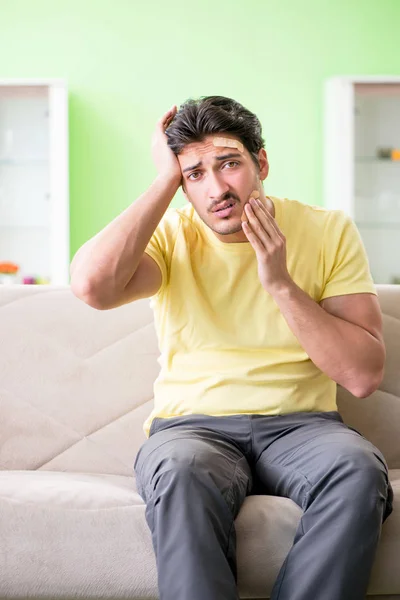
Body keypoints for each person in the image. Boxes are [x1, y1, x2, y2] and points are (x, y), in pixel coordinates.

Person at [70, 96, 393, 600]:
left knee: (356, 469)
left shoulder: (328, 229)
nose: (217, 189)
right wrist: (162, 182)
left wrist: (282, 284)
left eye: (229, 164)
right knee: (180, 471)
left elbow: (362, 375)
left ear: (260, 162)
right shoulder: (171, 235)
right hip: (192, 429)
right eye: (194, 174)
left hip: (303, 427)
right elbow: (92, 287)